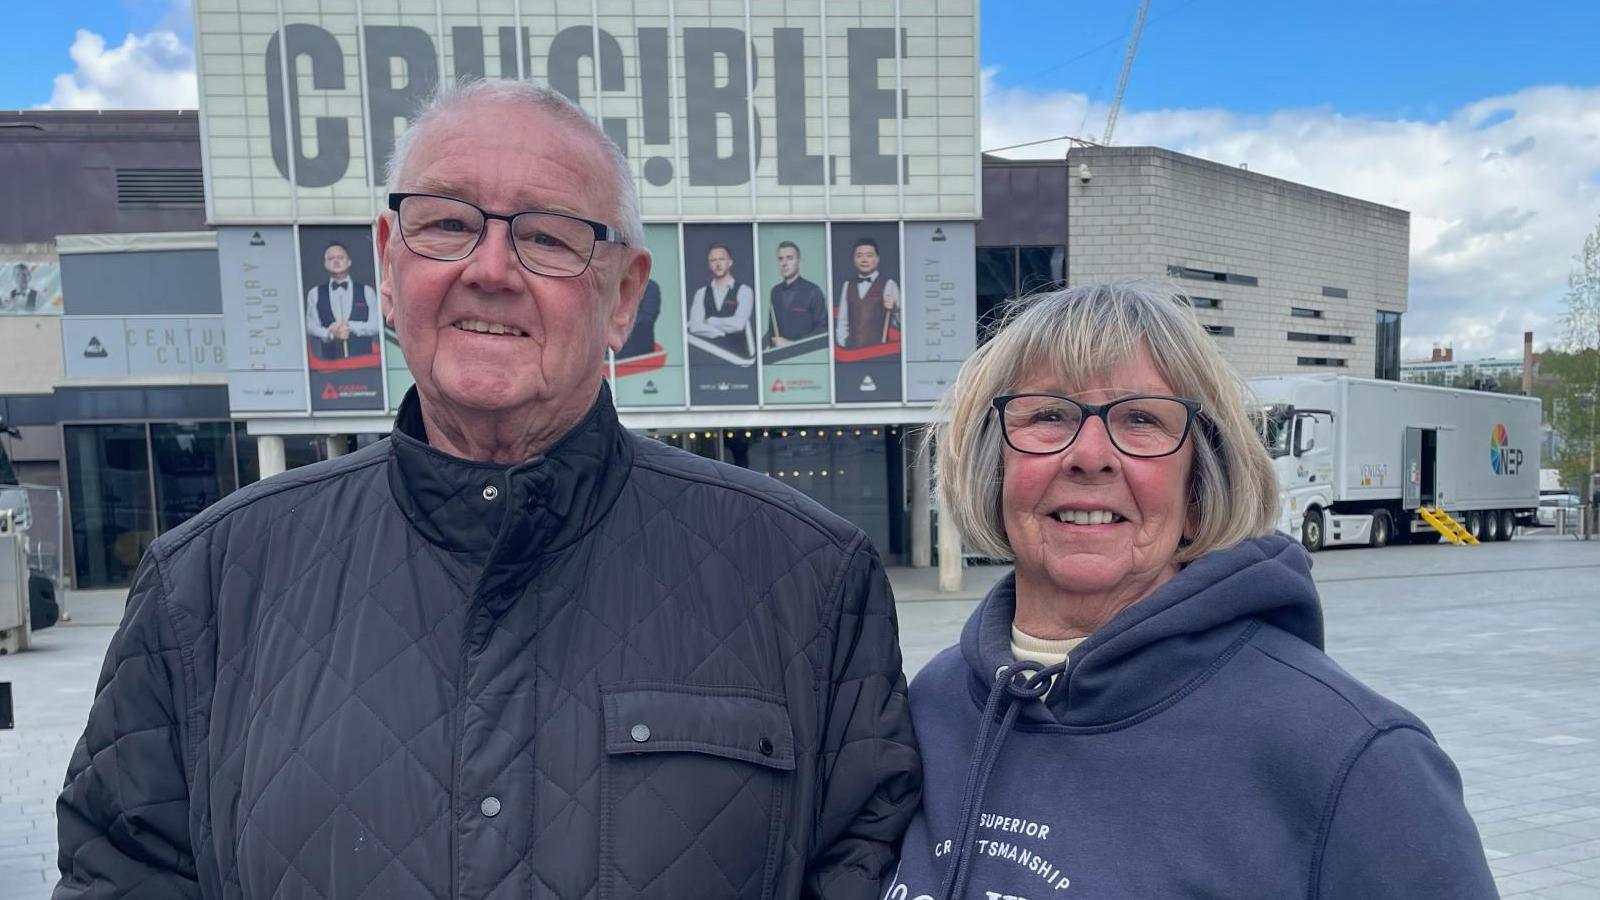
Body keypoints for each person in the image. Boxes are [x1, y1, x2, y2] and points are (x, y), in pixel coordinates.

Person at [55, 79, 919, 900]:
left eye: (547, 236)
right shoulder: (203, 589)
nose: (491, 268)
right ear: (389, 269)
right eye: (447, 223)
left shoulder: (809, 583)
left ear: (623, 296)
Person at [884, 281, 1496, 899]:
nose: (1090, 455)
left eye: (1142, 418)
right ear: (995, 468)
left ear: (1200, 485)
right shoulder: (926, 709)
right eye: (1048, 415)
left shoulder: (1357, 762)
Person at [303, 241, 380, 358]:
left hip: (364, 363)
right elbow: (311, 326)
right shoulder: (315, 293)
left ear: (349, 262)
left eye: (340, 257)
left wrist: (349, 326)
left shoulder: (367, 291)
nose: (336, 261)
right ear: (325, 264)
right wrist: (331, 334)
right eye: (331, 258)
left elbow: (376, 325)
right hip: (330, 366)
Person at [687, 242, 755, 356]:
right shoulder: (701, 293)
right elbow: (694, 326)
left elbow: (738, 324)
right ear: (709, 265)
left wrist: (711, 321)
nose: (718, 264)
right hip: (708, 357)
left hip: (738, 358)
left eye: (721, 259)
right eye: (713, 260)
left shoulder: (744, 290)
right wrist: (721, 333)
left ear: (730, 262)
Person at [834, 237, 898, 349]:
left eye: (869, 256)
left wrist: (895, 309)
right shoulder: (848, 285)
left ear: (877, 259)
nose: (864, 260)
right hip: (852, 352)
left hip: (879, 352)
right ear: (853, 259)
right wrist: (843, 343)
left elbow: (900, 324)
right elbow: (843, 319)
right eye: (859, 256)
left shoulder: (889, 284)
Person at [764, 240, 827, 348]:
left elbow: (823, 330)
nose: (784, 263)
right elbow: (772, 331)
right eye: (780, 259)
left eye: (789, 258)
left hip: (806, 357)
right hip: (778, 359)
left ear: (798, 260)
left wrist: (792, 345)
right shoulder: (775, 292)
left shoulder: (813, 291)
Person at [616, 277, 660, 358]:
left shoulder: (650, 287)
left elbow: (647, 317)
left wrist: (620, 321)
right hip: (611, 355)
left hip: (639, 353)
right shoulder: (612, 287)